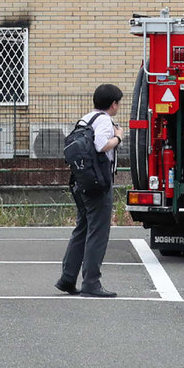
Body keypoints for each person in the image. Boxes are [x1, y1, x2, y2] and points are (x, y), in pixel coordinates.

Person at [57, 82, 123, 298]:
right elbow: (101, 145)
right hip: (97, 184)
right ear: (113, 104)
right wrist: (119, 137)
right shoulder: (104, 120)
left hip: (81, 182)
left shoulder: (87, 118)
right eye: (118, 103)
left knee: (82, 228)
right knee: (98, 232)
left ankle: (68, 278)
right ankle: (91, 283)